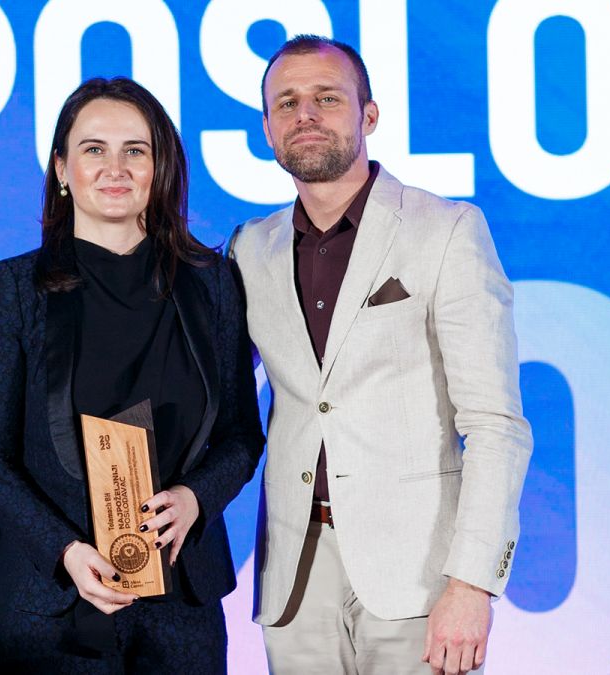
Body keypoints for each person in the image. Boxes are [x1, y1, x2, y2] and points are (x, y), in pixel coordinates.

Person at [228, 35, 533, 674]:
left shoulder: (446, 230)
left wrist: (472, 584)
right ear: (267, 129)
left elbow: (496, 425)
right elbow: (205, 386)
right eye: (286, 103)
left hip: (420, 576)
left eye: (326, 98)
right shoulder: (249, 248)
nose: (305, 115)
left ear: (369, 115)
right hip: (294, 577)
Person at [0, 76, 264, 673]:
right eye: (93, 149)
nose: (115, 168)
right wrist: (64, 551)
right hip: (52, 599)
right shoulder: (13, 287)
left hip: (182, 600)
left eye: (135, 150)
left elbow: (240, 435)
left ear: (161, 167)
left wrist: (195, 498)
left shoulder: (211, 283)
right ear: (61, 168)